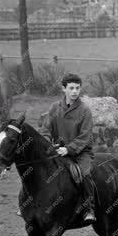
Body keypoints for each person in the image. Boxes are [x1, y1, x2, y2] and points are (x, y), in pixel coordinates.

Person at [37, 73, 96, 223]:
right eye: (71, 88)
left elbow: (85, 136)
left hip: (81, 152)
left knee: (84, 174)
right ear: (64, 89)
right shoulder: (54, 107)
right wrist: (48, 145)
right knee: (38, 170)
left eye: (77, 88)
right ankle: (31, 205)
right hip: (57, 150)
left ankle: (89, 208)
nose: (75, 91)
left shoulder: (85, 111)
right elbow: (45, 130)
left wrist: (68, 149)